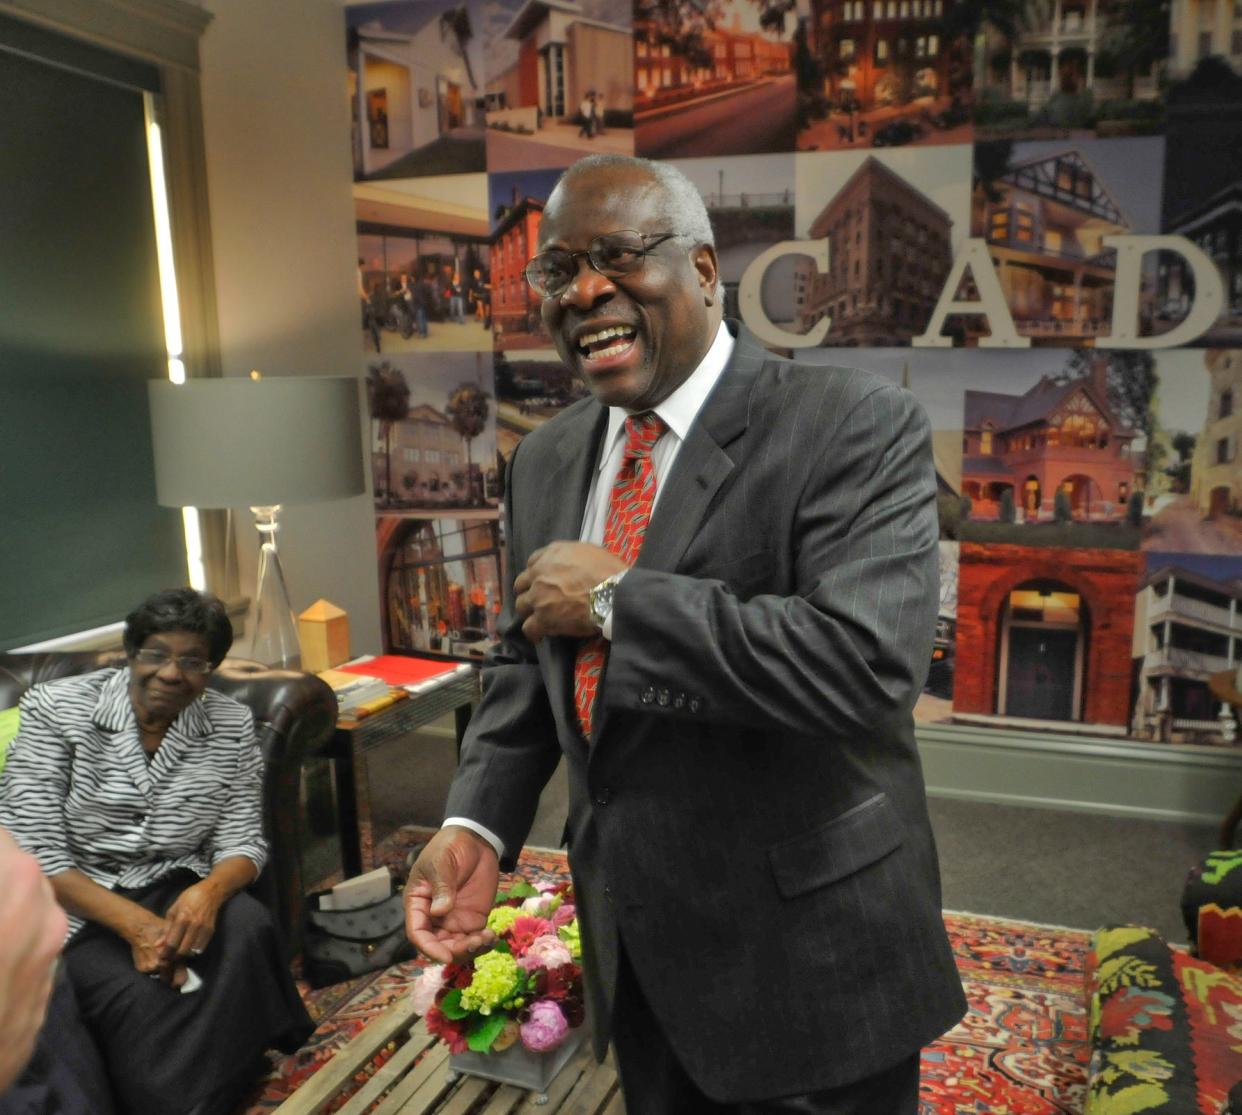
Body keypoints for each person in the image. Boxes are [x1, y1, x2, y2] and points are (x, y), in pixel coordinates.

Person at [403, 153, 966, 1114]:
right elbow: (523, 656)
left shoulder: (854, 424)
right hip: (643, 949)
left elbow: (862, 664)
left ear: (704, 271)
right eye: (559, 269)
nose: (584, 290)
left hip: (814, 960)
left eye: (619, 255)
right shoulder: (542, 460)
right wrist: (476, 822)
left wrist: (623, 602)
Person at [0, 589, 314, 1115]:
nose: (171, 673)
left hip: (172, 880)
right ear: (130, 653)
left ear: (210, 669)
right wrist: (138, 927)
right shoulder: (57, 710)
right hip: (71, 903)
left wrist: (208, 893)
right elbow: (32, 851)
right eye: (156, 654)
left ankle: (221, 1069)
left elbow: (242, 842)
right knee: (143, 995)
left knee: (248, 925)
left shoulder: (230, 725)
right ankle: (175, 1097)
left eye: (193, 661)